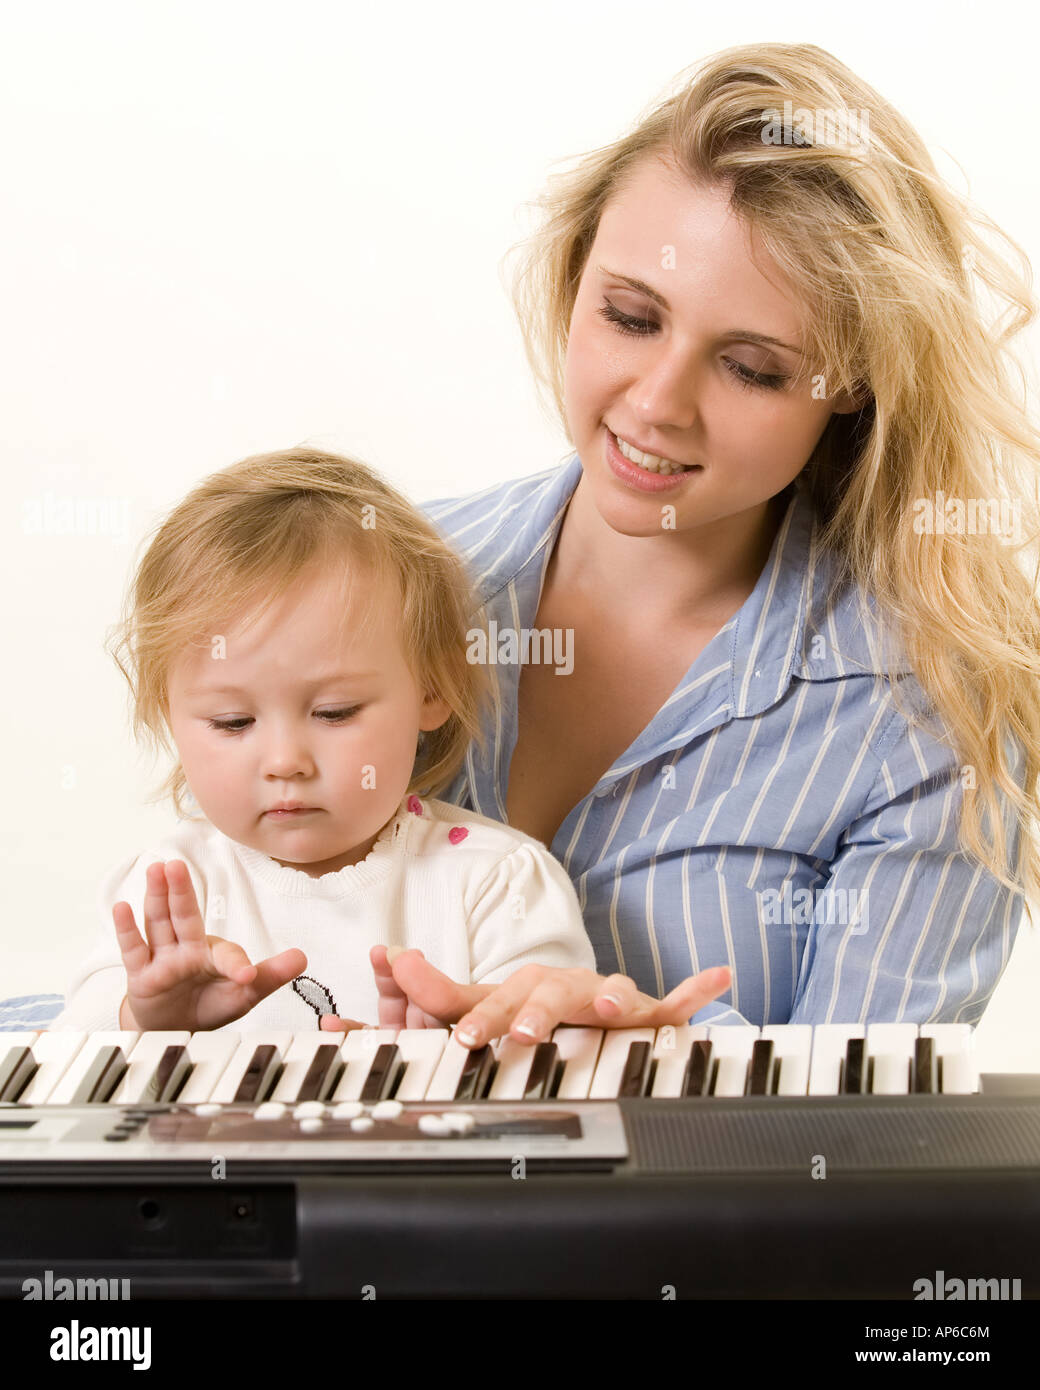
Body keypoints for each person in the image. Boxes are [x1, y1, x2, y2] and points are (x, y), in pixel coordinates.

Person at [356, 40, 1040, 1050]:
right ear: (575, 273)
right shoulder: (386, 584)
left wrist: (661, 1053)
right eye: (630, 316)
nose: (656, 403)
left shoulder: (928, 711)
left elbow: (860, 1140)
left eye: (752, 368)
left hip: (685, 1214)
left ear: (849, 385)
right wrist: (157, 1017)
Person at [53, 447, 733, 1033]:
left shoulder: (494, 883)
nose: (285, 762)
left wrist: (473, 1035)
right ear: (169, 716)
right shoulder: (173, 884)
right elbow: (60, 1050)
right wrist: (142, 1016)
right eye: (233, 723)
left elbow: (554, 1032)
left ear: (432, 690)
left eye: (336, 711)